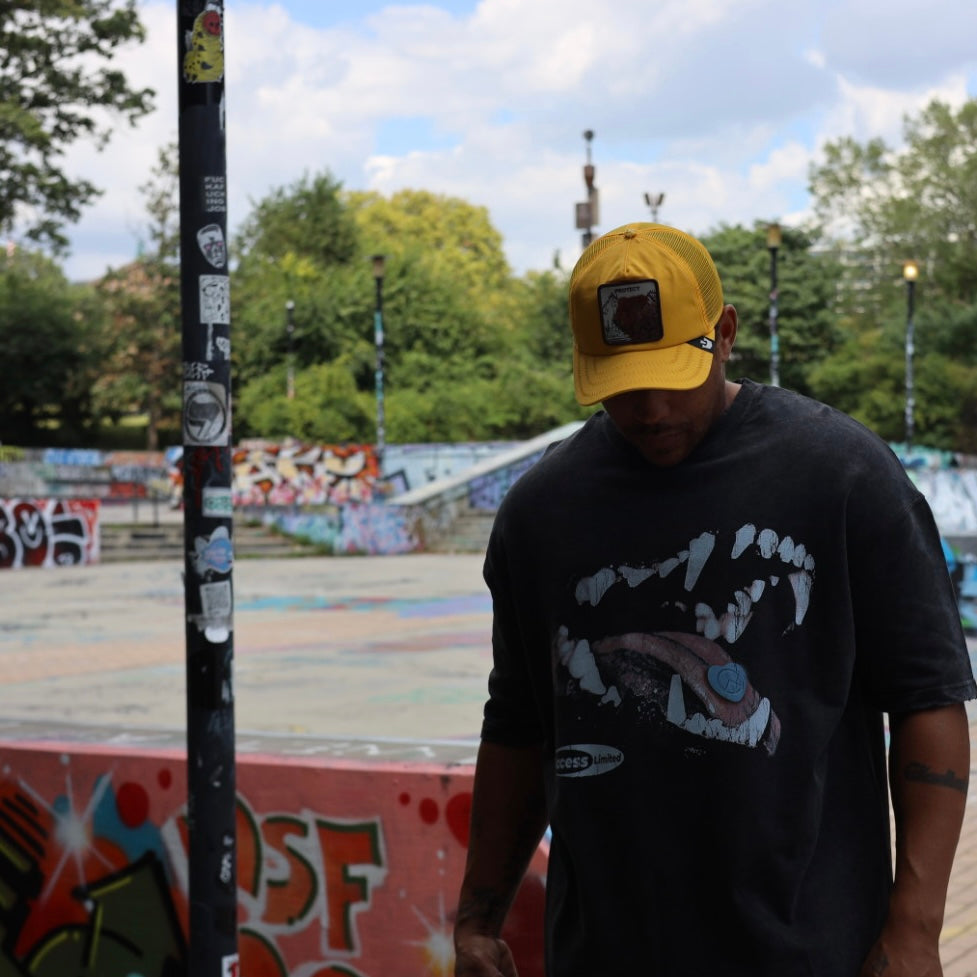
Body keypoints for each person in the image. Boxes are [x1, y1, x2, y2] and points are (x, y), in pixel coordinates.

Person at [453, 222, 976, 977]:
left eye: (674, 374)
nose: (652, 409)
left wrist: (916, 927)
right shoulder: (542, 511)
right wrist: (477, 918)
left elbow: (928, 699)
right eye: (623, 385)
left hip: (811, 950)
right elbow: (519, 725)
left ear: (724, 332)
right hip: (604, 952)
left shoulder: (841, 475)